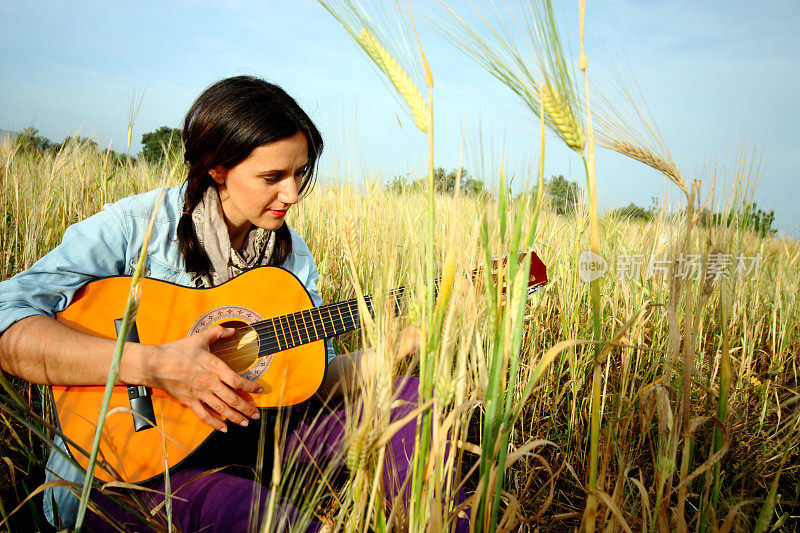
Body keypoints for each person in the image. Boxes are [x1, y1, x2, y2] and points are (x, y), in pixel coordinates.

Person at [0, 76, 430, 531]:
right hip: (135, 466)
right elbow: (6, 325)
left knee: (409, 399)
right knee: (258, 518)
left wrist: (394, 347)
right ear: (218, 167)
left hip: (252, 439)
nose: (293, 194)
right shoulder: (134, 227)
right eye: (272, 177)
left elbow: (309, 382)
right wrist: (147, 363)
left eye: (300, 172)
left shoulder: (292, 255)